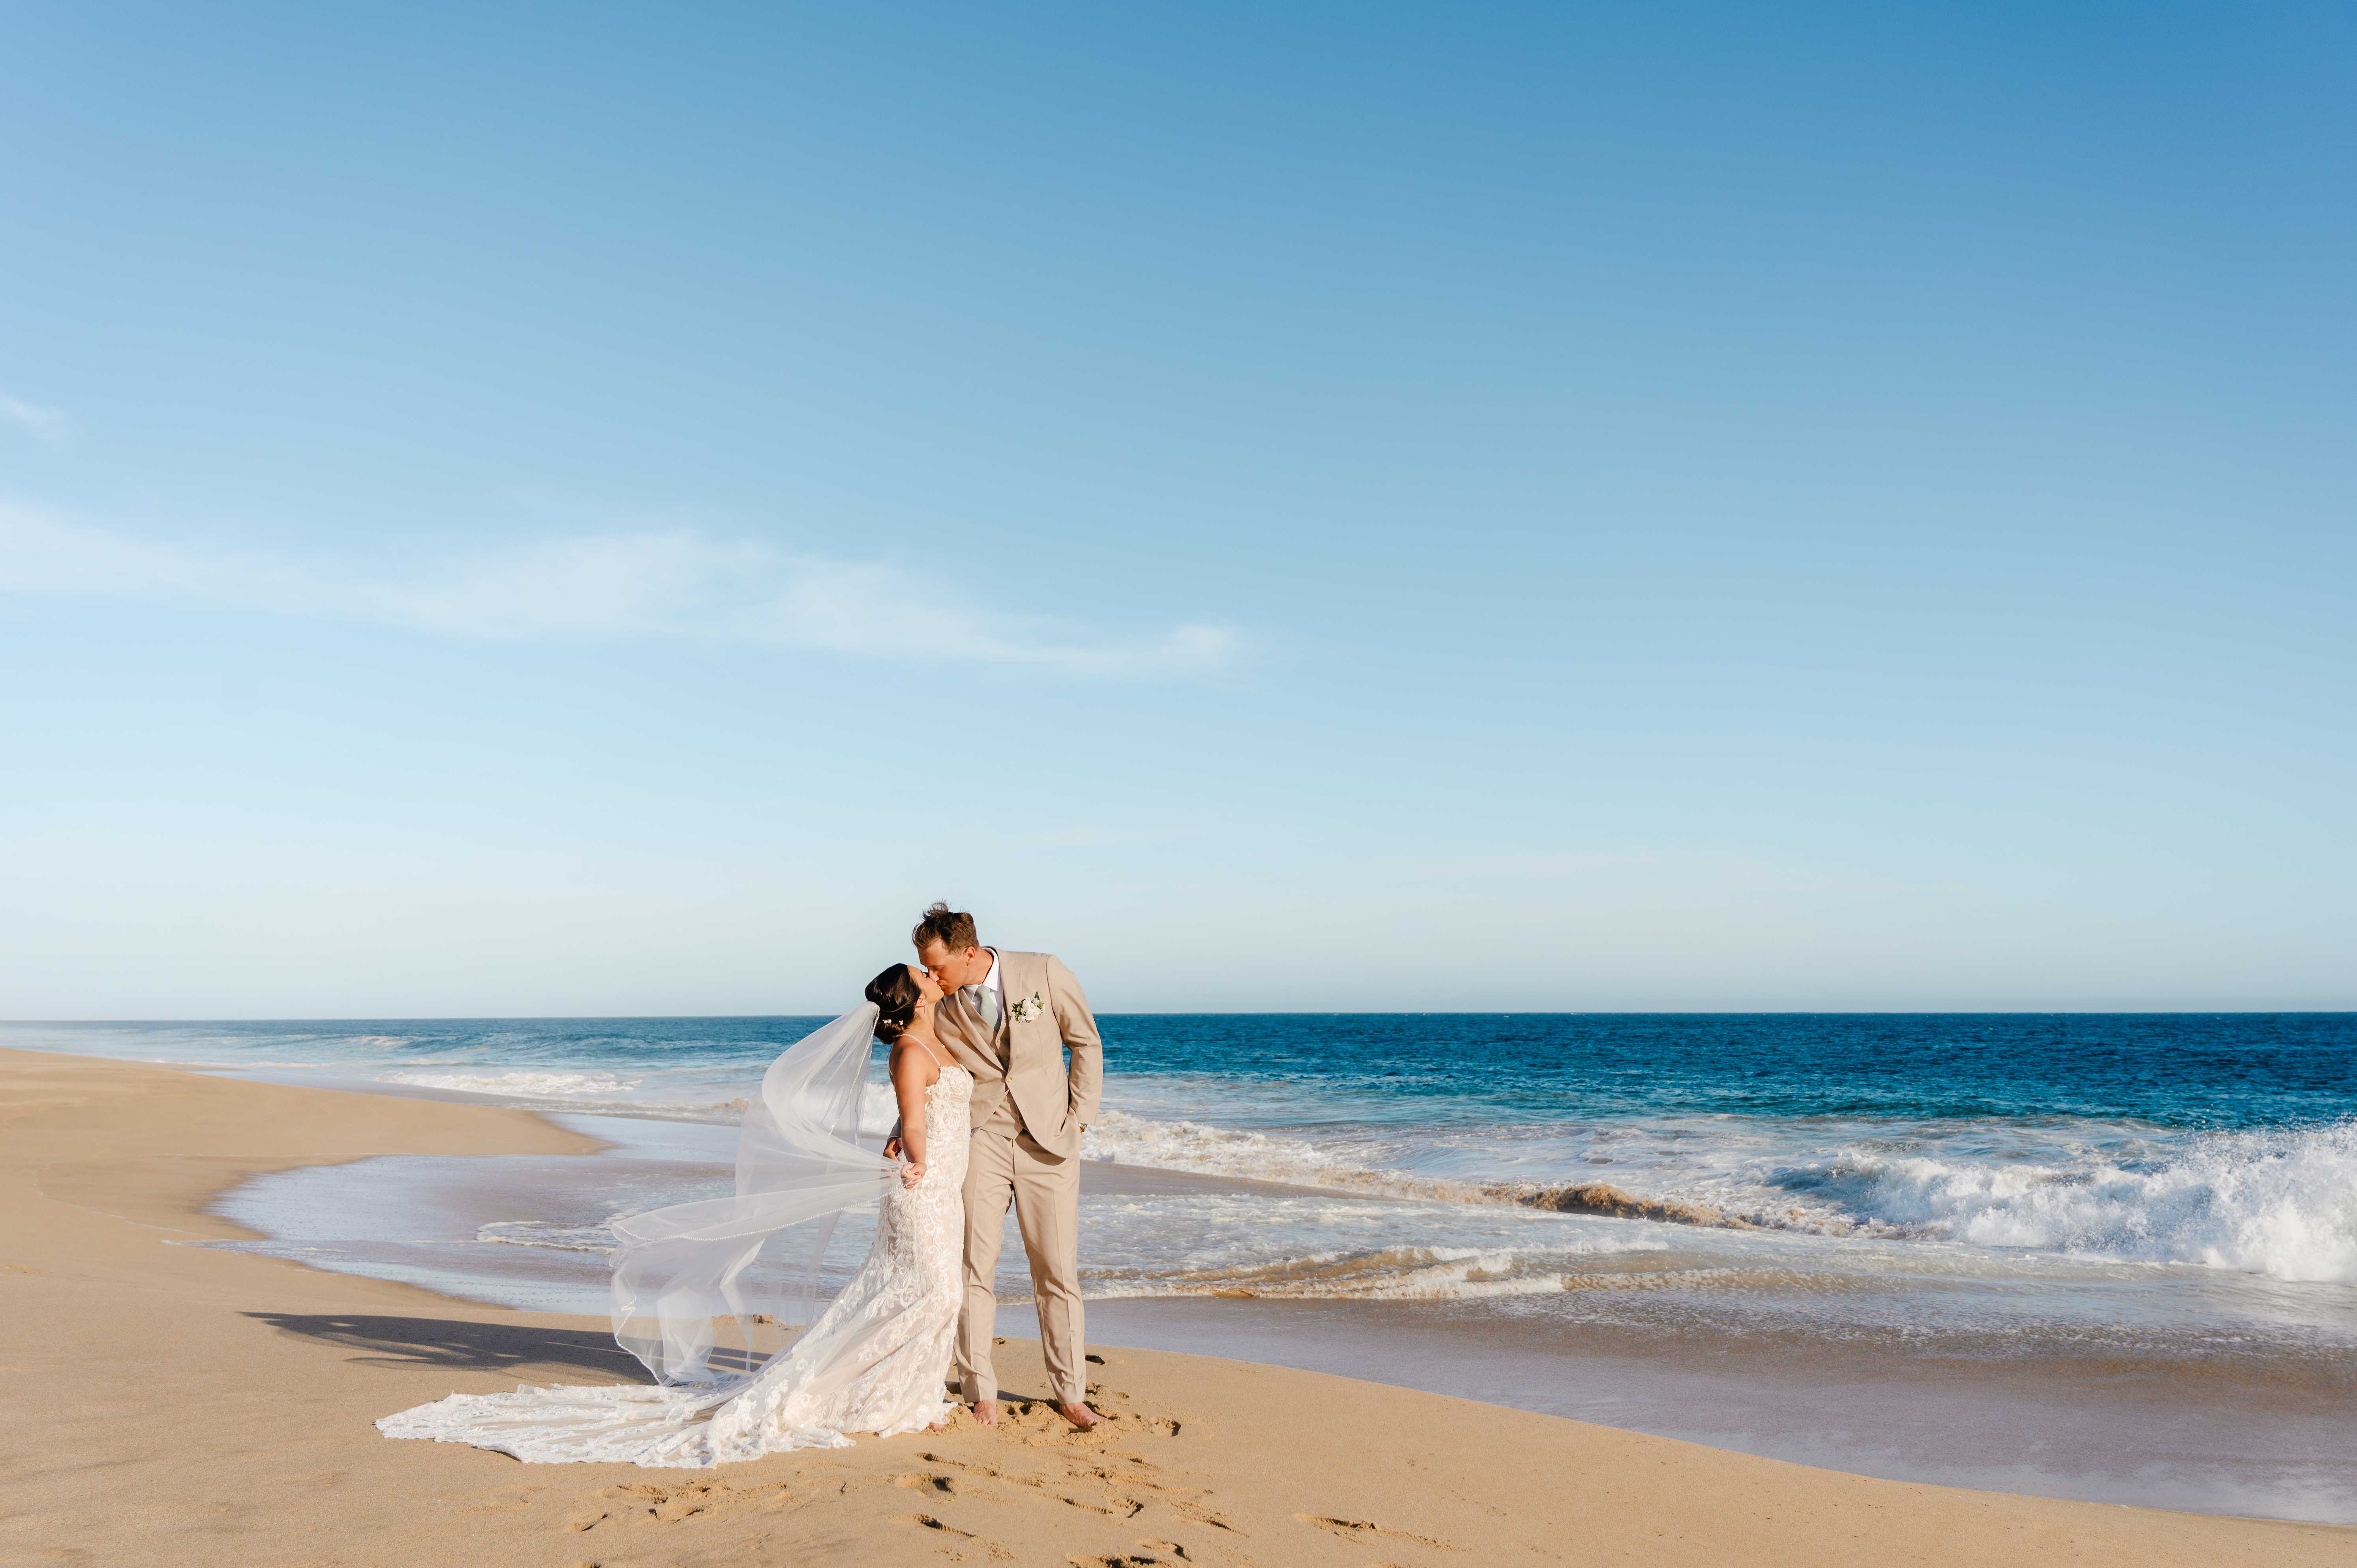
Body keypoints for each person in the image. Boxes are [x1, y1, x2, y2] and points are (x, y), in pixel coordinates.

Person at [375, 962, 972, 1466]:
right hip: (924, 1186)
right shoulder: (911, 1053)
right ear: (915, 998)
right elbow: (916, 1119)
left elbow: (919, 1116)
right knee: (931, 1290)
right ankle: (873, 1395)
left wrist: (906, 1141)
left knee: (922, 1290)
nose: (932, 975)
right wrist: (913, 1156)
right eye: (925, 973)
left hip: (946, 1184)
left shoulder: (938, 1039)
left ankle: (908, 1396)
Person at [891, 902, 1101, 1430]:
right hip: (980, 1140)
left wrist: (1079, 1120)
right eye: (925, 967)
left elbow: (1085, 1042)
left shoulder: (1044, 971)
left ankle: (1070, 1392)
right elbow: (923, 1060)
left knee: (1056, 1270)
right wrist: (903, 1128)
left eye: (937, 966)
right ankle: (979, 1389)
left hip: (1048, 1144)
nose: (930, 977)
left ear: (968, 953)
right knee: (972, 1269)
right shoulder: (940, 1001)